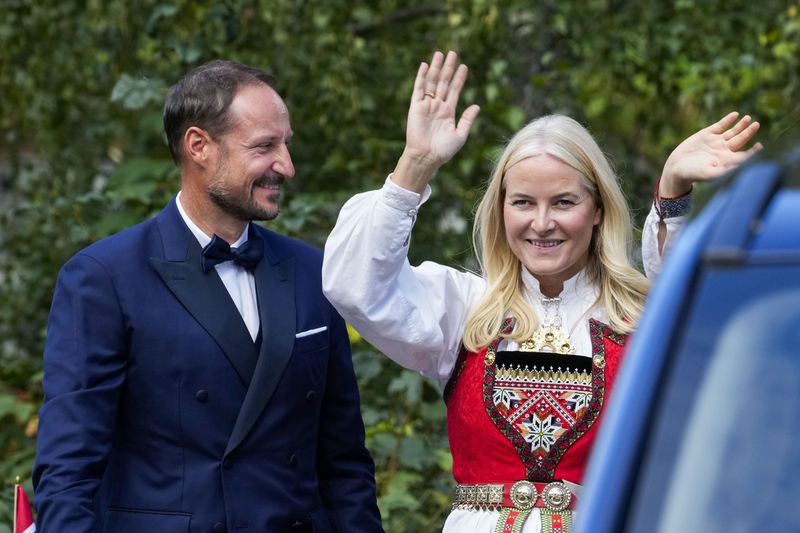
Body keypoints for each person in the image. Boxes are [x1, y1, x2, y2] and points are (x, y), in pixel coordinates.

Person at [321, 50, 760, 533]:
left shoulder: (641, 318)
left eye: (564, 202)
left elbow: (705, 311)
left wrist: (673, 191)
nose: (542, 223)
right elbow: (356, 286)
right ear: (501, 209)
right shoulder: (467, 309)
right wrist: (415, 165)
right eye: (523, 202)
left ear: (597, 209)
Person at [33, 60, 384, 533]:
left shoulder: (311, 271)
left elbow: (345, 464)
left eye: (286, 144)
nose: (286, 165)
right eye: (264, 146)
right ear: (199, 146)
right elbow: (68, 472)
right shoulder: (102, 278)